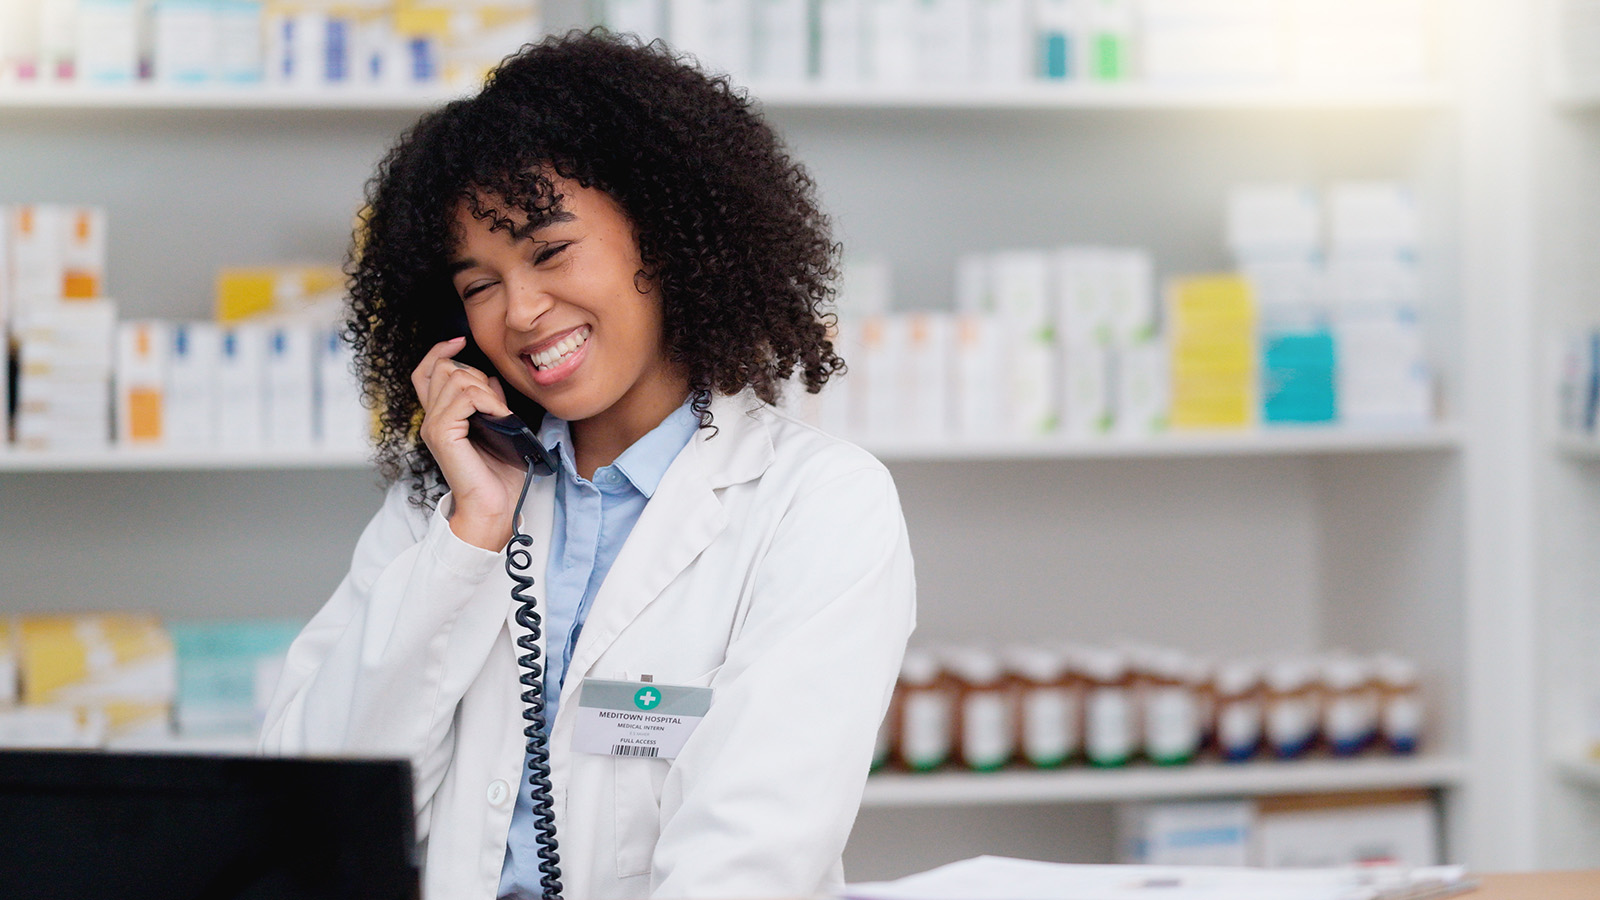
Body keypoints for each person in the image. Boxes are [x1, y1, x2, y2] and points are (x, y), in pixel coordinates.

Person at [259, 29, 917, 900]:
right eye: (478, 283)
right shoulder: (449, 505)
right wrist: (469, 542)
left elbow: (751, 855)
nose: (522, 311)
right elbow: (312, 809)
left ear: (666, 231)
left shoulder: (819, 504)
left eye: (550, 250)